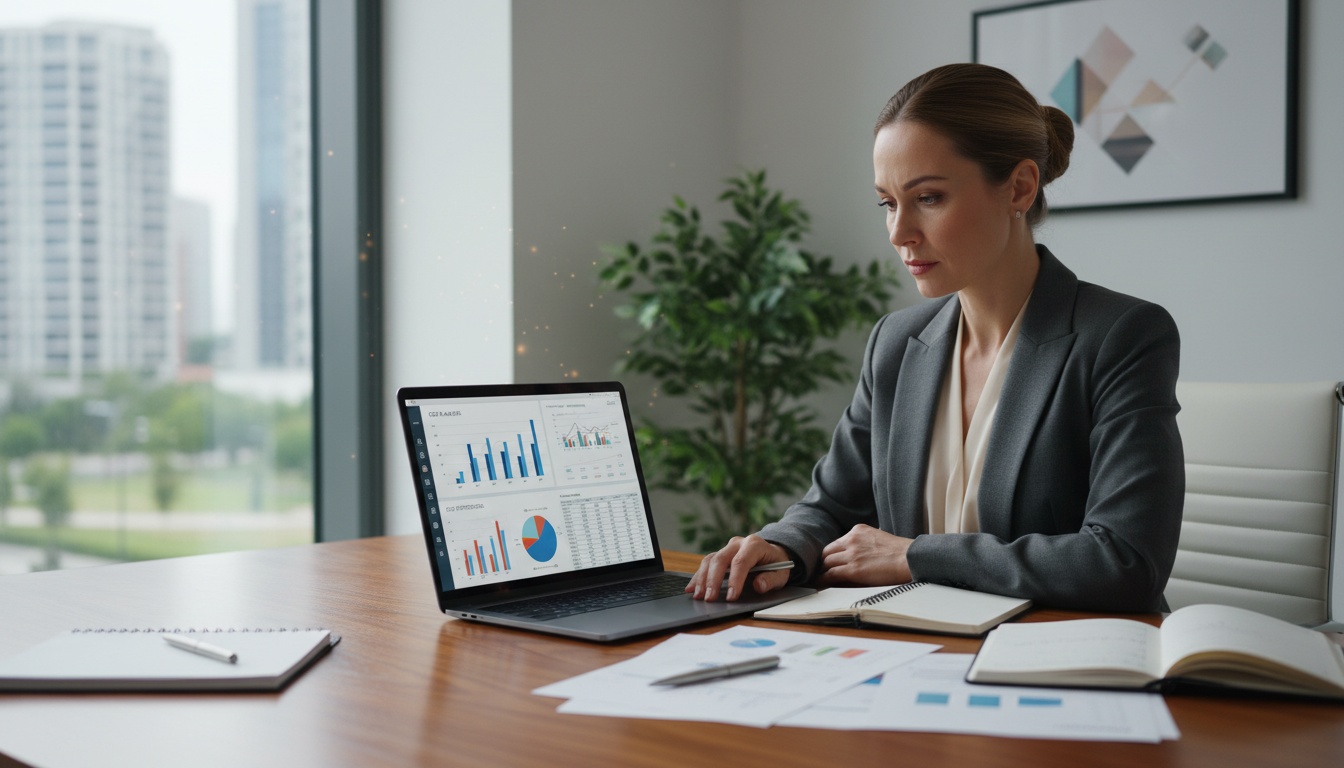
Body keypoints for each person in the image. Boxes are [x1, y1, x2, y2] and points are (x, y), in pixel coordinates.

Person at [686, 63, 1184, 613]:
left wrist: (916, 556)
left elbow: (1125, 560)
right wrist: (780, 546)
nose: (899, 232)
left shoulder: (1120, 336)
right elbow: (831, 507)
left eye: (928, 198)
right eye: (887, 203)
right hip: (914, 653)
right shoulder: (897, 342)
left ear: (1019, 187)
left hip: (1060, 659)